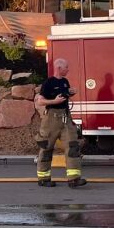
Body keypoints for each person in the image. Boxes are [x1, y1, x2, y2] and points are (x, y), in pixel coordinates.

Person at [34, 58, 86, 188]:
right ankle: (43, 178)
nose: (68, 70)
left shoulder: (64, 82)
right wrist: (54, 102)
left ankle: (74, 179)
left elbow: (64, 96)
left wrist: (70, 93)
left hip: (65, 117)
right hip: (51, 118)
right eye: (66, 67)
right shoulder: (48, 83)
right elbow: (40, 101)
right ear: (59, 68)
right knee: (46, 147)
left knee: (72, 146)